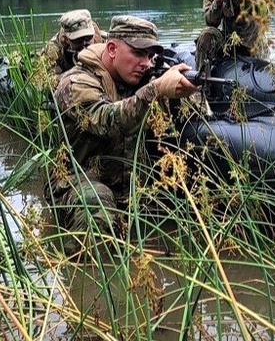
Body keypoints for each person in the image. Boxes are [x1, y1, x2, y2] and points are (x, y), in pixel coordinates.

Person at [47, 15, 198, 237]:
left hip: (131, 181)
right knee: (97, 210)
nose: (146, 62)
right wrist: (154, 90)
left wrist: (180, 95)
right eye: (138, 53)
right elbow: (105, 119)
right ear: (111, 49)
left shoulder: (144, 76)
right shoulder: (76, 81)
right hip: (82, 179)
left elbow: (184, 125)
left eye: (149, 55)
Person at [38, 9, 105, 83]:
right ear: (66, 39)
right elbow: (43, 82)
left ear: (94, 33)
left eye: (88, 37)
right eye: (77, 40)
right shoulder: (53, 51)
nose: (84, 44)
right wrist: (73, 74)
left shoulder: (105, 43)